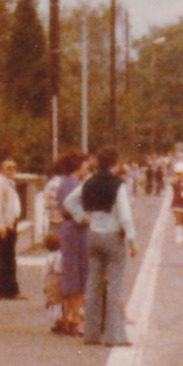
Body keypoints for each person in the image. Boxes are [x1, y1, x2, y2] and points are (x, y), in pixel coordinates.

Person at [66, 146, 138, 345]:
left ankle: (91, 333)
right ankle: (114, 336)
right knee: (114, 285)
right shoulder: (118, 185)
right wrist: (132, 240)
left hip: (94, 235)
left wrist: (82, 217)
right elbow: (124, 215)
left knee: (93, 285)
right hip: (113, 237)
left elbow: (69, 201)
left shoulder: (89, 182)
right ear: (115, 164)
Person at [57, 151, 93, 333]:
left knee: (71, 271)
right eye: (85, 164)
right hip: (77, 230)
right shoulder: (74, 185)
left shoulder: (65, 183)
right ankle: (75, 319)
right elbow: (77, 210)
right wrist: (89, 219)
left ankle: (70, 316)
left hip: (69, 230)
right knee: (79, 273)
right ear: (78, 166)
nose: (87, 167)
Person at [0, 157, 23, 300]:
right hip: (5, 225)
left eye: (14, 168)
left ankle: (10, 289)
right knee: (5, 258)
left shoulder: (10, 183)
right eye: (8, 168)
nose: (12, 171)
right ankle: (3, 290)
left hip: (11, 223)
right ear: (1, 169)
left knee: (10, 257)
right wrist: (0, 225)